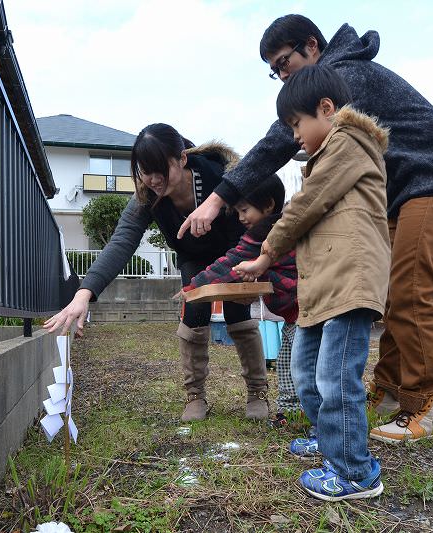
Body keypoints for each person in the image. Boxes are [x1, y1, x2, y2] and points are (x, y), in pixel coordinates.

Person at [180, 14, 433, 444]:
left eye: (284, 63)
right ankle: (391, 392)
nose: (282, 77)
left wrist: (218, 199)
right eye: (274, 71)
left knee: (411, 289)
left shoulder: (344, 78)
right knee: (391, 292)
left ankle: (422, 405)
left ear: (312, 47)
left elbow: (280, 152)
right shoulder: (330, 92)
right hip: (401, 191)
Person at [43, 123, 269, 423]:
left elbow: (257, 217)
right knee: (194, 315)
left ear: (182, 159)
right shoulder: (147, 196)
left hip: (235, 250)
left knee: (238, 314)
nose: (153, 179)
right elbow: (121, 242)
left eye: (160, 169)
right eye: (145, 171)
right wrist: (84, 293)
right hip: (193, 257)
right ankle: (195, 396)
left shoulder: (219, 176)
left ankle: (257, 392)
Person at [236, 65, 390, 501]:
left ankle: (355, 472)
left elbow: (305, 205)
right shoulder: (325, 155)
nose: (295, 135)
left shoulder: (349, 142)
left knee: (336, 377)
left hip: (349, 279)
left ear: (327, 109)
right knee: (305, 372)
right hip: (322, 285)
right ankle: (331, 442)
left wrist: (265, 253)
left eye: (297, 124)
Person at [178, 174, 302, 426]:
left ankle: (302, 410)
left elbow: (232, 261)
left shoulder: (263, 232)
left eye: (244, 210)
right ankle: (290, 412)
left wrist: (195, 284)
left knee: (301, 365)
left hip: (306, 310)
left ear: (267, 205)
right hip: (295, 313)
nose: (240, 217)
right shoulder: (288, 225)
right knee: (289, 361)